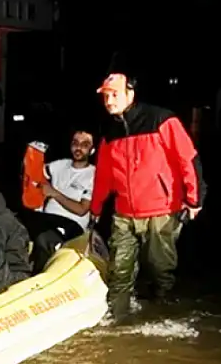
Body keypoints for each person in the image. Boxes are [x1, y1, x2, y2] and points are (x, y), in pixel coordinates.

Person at [91, 73, 206, 321]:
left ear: (131, 93)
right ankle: (117, 320)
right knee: (119, 271)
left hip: (161, 210)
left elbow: (187, 158)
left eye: (114, 95)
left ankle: (162, 318)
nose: (109, 101)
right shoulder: (109, 130)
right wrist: (96, 207)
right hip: (124, 212)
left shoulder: (161, 118)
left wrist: (194, 199)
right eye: (106, 96)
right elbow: (104, 174)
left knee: (160, 268)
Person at [29, 131, 96, 274]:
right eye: (75, 143)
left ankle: (38, 280)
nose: (78, 148)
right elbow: (33, 173)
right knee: (14, 227)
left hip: (71, 224)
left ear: (92, 150)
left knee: (44, 239)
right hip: (45, 218)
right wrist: (33, 154)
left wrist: (54, 193)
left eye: (85, 145)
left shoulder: (93, 174)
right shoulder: (60, 165)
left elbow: (82, 209)